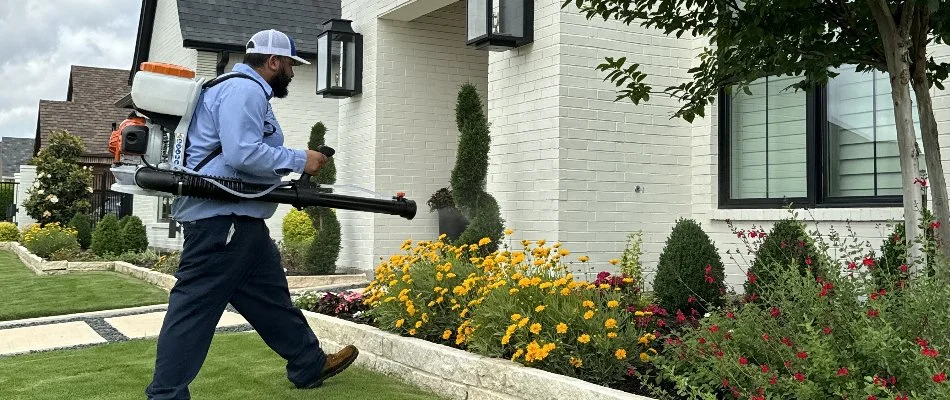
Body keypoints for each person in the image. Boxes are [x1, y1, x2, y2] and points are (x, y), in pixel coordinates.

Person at [145, 29, 359, 400]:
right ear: (274, 61)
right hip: (220, 221)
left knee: (270, 299)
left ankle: (308, 363)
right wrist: (299, 159)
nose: (291, 72)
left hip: (238, 219)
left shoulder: (238, 89)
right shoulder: (244, 90)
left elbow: (242, 154)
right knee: (193, 310)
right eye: (290, 64)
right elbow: (242, 153)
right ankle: (165, 394)